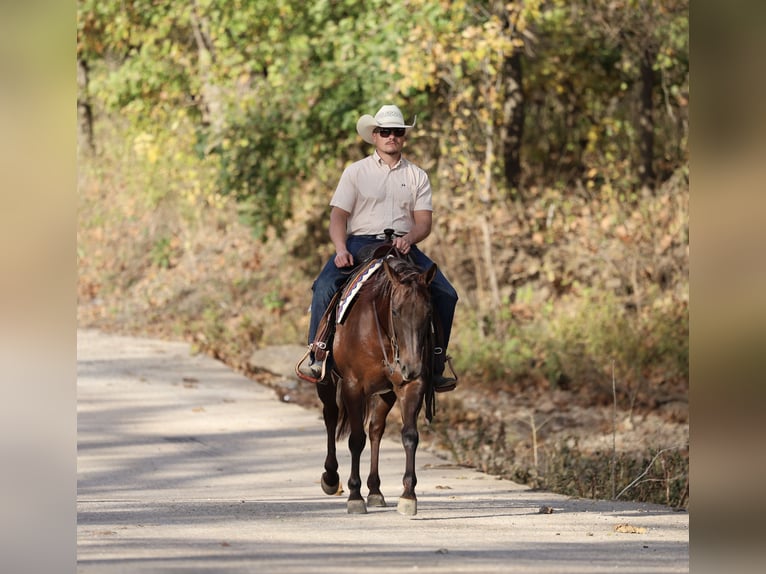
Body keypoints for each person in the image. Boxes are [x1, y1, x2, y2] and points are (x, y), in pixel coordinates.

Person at [300, 104, 458, 392]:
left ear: (403, 137)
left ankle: (436, 362)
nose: (391, 137)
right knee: (324, 285)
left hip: (402, 245)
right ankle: (318, 353)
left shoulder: (417, 176)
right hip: (360, 242)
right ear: (374, 135)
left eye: (397, 132)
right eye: (385, 132)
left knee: (446, 293)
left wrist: (410, 238)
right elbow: (338, 216)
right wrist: (340, 248)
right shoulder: (356, 172)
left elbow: (424, 222)